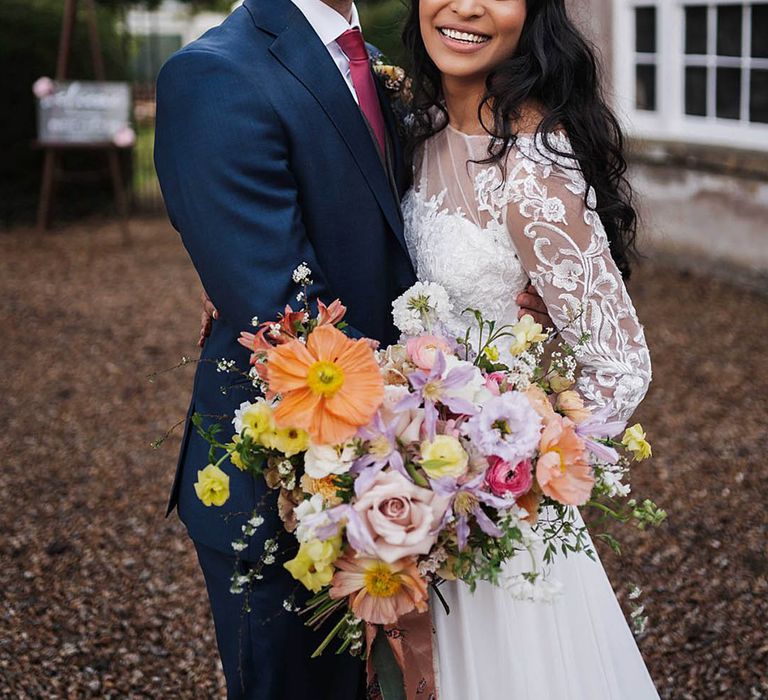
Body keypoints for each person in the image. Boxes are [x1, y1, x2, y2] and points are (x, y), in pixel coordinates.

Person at [201, 0, 660, 697]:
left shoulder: (537, 169)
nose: (467, 5)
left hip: (484, 517)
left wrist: (498, 466)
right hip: (399, 501)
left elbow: (621, 364)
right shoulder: (406, 129)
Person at [157, 0, 551, 697]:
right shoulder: (215, 75)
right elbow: (283, 316)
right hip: (291, 490)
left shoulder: (390, 65)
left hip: (427, 476)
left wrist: (532, 278)